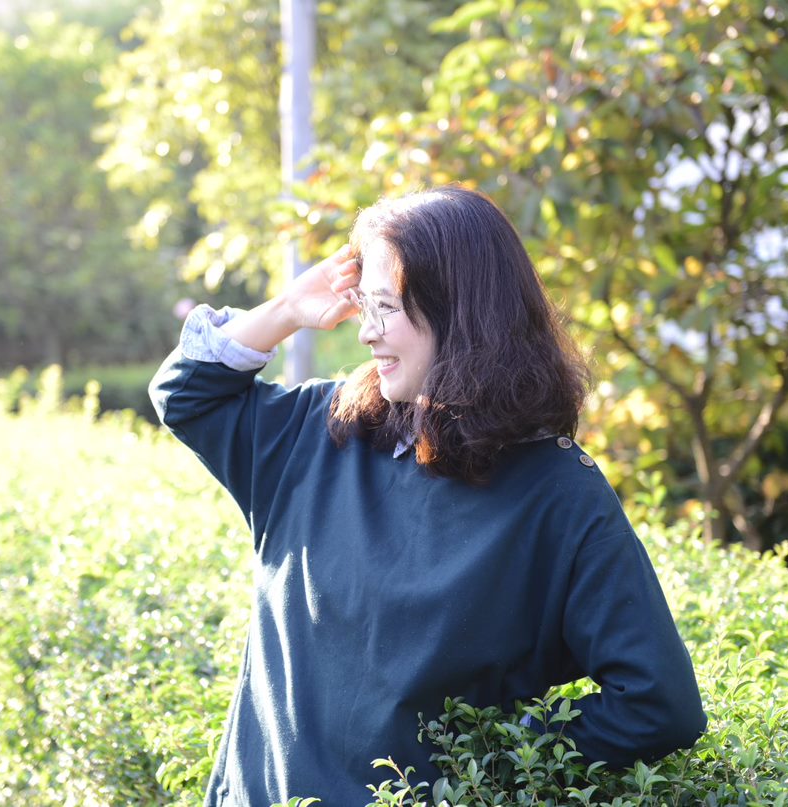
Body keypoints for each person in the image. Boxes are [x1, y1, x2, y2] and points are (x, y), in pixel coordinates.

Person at [149, 186, 706, 806]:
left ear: (461, 313)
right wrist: (285, 309)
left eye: (385, 308)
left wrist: (483, 769)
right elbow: (186, 394)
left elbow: (658, 703)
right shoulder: (320, 432)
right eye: (365, 305)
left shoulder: (558, 494)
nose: (366, 332)